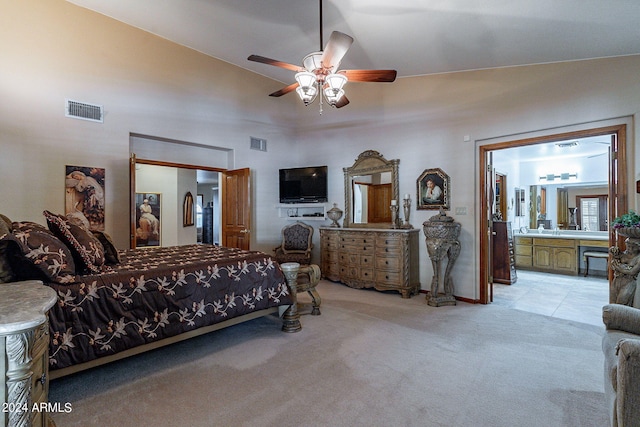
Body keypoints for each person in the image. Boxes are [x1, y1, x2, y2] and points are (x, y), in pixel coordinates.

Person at [609, 239, 640, 305]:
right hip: (617, 280)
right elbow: (613, 261)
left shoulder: (638, 258)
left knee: (622, 302)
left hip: (629, 281)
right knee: (613, 301)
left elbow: (632, 271)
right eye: (628, 246)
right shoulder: (623, 254)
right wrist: (613, 251)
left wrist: (619, 268)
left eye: (633, 247)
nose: (630, 249)